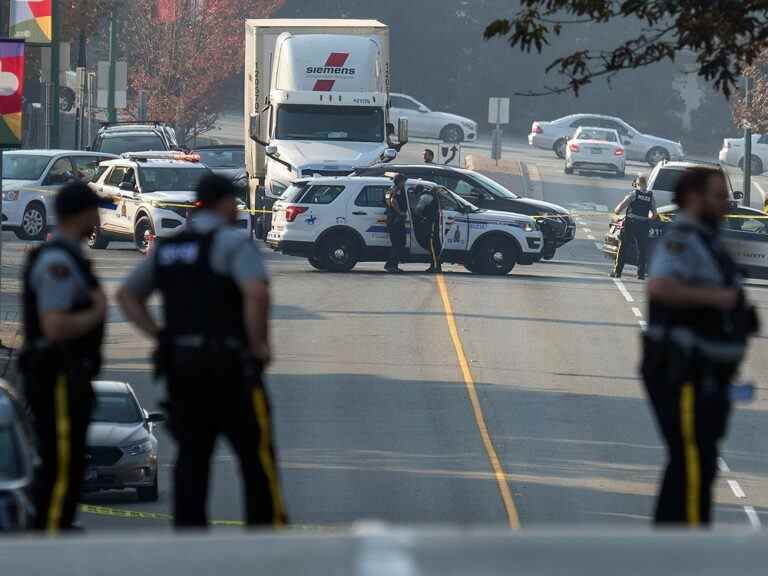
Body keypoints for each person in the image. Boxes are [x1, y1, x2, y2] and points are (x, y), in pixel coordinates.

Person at [116, 173, 286, 528]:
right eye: (234, 202)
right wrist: (259, 346)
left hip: (184, 370)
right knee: (256, 459)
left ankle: (191, 546)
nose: (237, 208)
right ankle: (268, 541)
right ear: (222, 204)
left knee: (192, 459)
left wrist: (160, 335)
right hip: (231, 368)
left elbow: (128, 296)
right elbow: (256, 292)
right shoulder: (232, 243)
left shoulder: (170, 248)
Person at [643, 167, 758, 526]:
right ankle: (688, 552)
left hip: (708, 376)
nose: (728, 203)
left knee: (694, 463)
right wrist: (720, 298)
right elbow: (659, 286)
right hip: (684, 372)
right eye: (719, 195)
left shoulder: (708, 241)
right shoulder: (682, 240)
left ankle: (673, 548)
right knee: (694, 464)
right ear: (694, 198)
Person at [20, 181, 107, 532]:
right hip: (57, 376)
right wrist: (96, 311)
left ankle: (56, 532)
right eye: (94, 210)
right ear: (81, 214)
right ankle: (49, 545)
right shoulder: (57, 262)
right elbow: (54, 327)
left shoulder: (69, 257)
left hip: (67, 376)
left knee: (67, 466)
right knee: (61, 466)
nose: (99, 217)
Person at [611, 175, 657, 279]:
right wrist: (647, 217)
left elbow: (620, 207)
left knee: (623, 247)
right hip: (644, 225)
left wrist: (616, 212)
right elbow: (654, 215)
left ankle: (617, 272)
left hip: (631, 224)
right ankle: (640, 274)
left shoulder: (634, 194)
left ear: (637, 184)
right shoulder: (650, 196)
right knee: (642, 250)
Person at [413, 186, 442, 273]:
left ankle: (436, 267)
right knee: (433, 246)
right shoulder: (428, 196)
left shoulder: (426, 197)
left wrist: (421, 217)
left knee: (433, 246)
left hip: (432, 223)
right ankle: (435, 266)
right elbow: (419, 210)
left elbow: (418, 210)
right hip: (432, 223)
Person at [384, 173, 408, 273]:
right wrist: (400, 212)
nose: (404, 184)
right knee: (398, 243)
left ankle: (392, 265)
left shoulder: (390, 189)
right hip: (396, 220)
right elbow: (393, 201)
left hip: (392, 219)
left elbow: (387, 199)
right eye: (403, 182)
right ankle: (391, 266)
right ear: (399, 181)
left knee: (398, 243)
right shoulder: (396, 190)